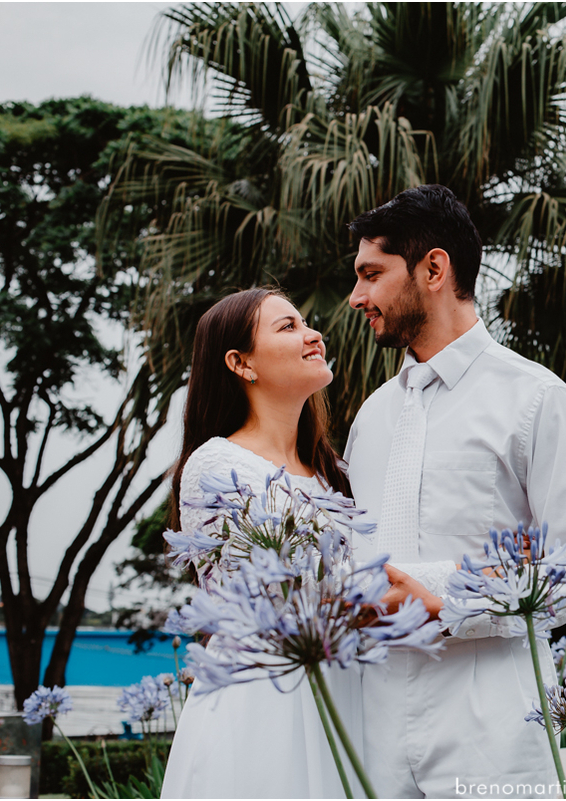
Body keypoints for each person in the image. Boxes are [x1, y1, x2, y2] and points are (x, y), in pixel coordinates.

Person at [344, 184, 566, 798]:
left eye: (371, 274)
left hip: (493, 731)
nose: (356, 296)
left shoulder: (538, 400)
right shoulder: (371, 418)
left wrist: (448, 600)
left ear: (434, 268)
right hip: (373, 730)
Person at [161, 288, 364, 799]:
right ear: (240, 363)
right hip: (263, 695)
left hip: (343, 689)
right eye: (288, 326)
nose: (313, 334)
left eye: (306, 323)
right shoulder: (215, 466)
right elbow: (257, 598)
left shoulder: (335, 472)